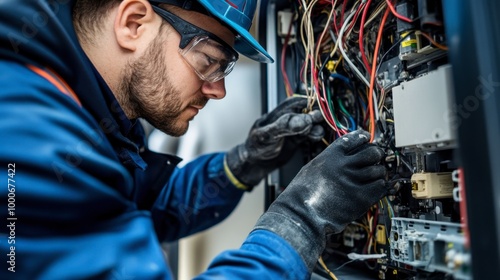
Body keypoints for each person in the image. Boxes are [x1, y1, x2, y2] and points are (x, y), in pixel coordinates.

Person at [0, 0, 388, 279]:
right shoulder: (29, 132)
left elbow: (147, 210)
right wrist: (300, 220)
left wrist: (245, 161)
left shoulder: (89, 111)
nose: (217, 89)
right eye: (209, 60)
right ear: (134, 23)